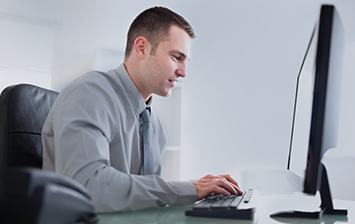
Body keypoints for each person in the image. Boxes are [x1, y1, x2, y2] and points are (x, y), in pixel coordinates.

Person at [42, 6, 243, 213]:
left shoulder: (155, 128)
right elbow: (89, 186)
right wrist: (188, 189)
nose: (183, 72)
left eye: (186, 61)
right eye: (176, 57)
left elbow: (144, 201)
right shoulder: (90, 95)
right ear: (142, 48)